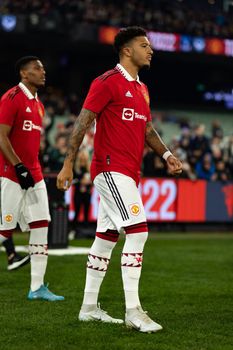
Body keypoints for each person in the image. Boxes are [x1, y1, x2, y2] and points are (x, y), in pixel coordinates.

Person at [57, 27, 182, 332]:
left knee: (106, 238)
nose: (150, 50)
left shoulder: (142, 88)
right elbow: (82, 122)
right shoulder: (107, 82)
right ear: (127, 50)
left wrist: (166, 155)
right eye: (144, 45)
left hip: (128, 172)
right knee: (138, 232)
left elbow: (147, 129)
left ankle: (88, 308)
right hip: (111, 169)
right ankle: (133, 311)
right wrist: (68, 163)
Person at [0, 56, 64, 301]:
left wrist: (30, 168)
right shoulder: (11, 98)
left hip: (34, 174)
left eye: (43, 67)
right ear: (24, 74)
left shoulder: (38, 104)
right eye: (37, 68)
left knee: (41, 226)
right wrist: (18, 166)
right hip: (11, 174)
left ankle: (37, 288)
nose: (43, 71)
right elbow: (2, 136)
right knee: (5, 230)